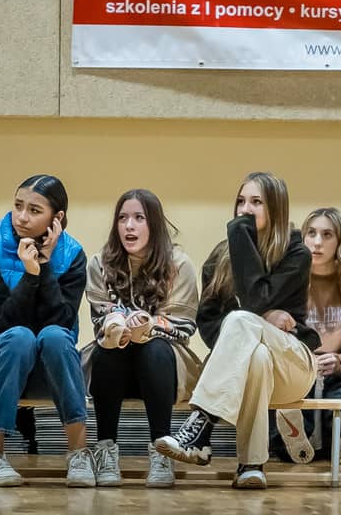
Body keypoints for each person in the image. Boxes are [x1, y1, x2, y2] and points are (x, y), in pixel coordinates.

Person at [155, 172, 319, 489]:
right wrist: (263, 319)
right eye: (241, 201)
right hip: (249, 369)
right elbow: (209, 327)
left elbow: (256, 298)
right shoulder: (220, 257)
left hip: (294, 365)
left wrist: (239, 234)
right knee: (255, 354)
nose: (245, 209)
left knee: (242, 320)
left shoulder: (296, 253)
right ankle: (251, 465)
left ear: (276, 208)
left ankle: (201, 427)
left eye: (256, 202)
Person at [0, 174, 94, 487]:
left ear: (57, 218)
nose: (21, 217)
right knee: (19, 337)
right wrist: (29, 277)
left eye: (34, 210)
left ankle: (79, 452)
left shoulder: (73, 255)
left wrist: (44, 267)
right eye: (18, 205)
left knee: (56, 336)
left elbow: (62, 320)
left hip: (44, 369)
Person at [82, 189, 202, 487]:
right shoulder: (99, 263)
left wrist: (147, 325)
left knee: (155, 349)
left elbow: (185, 326)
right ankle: (105, 450)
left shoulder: (179, 264)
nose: (129, 226)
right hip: (116, 363)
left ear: (155, 224)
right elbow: (99, 320)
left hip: (163, 368)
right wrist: (116, 325)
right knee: (106, 351)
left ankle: (161, 452)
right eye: (122, 218)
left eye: (139, 218)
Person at [272, 208, 341, 465]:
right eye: (311, 233)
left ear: (340, 241)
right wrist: (304, 359)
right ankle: (292, 443)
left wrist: (340, 361)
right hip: (300, 368)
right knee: (292, 400)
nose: (317, 242)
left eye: (327, 234)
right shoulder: (288, 283)